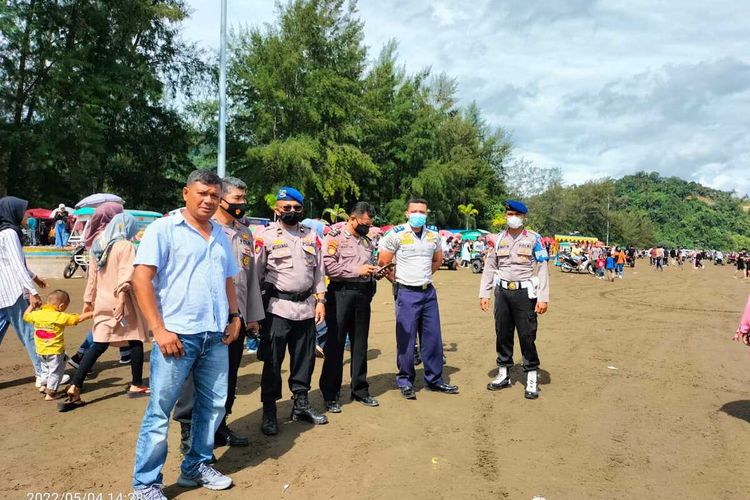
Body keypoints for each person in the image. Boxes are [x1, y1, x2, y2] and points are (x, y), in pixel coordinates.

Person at [131, 170, 241, 498]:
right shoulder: (164, 229)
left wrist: (235, 316)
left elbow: (228, 280)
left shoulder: (220, 234)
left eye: (214, 195)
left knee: (213, 405)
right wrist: (158, 329)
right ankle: (146, 484)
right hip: (176, 336)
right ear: (186, 193)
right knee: (160, 410)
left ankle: (196, 465)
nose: (208, 200)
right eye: (202, 193)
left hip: (214, 335)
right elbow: (141, 279)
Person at [174, 176, 264, 453]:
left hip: (234, 318)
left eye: (243, 199)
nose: (242, 204)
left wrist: (251, 316)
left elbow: (248, 279)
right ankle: (189, 432)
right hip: (203, 318)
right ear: (220, 198)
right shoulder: (206, 230)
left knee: (229, 375)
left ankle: (220, 424)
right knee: (194, 378)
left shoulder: (245, 233)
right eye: (237, 199)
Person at [255, 186, 328, 436]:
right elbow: (256, 275)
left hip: (307, 309)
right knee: (273, 362)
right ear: (277, 208)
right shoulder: (265, 237)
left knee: (305, 360)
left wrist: (321, 299)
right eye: (286, 207)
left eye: (296, 208)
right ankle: (269, 410)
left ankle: (301, 404)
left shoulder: (311, 236)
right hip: (277, 309)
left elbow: (319, 271)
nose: (291, 211)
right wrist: (254, 313)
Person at [63, 213, 150, 410]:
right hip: (121, 299)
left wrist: (88, 300)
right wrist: (121, 301)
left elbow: (91, 277)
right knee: (135, 338)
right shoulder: (125, 246)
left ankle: (75, 384)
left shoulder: (97, 246)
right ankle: (136, 383)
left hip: (102, 300)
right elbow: (125, 275)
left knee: (99, 344)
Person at [378, 198, 458, 400]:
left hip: (428, 293)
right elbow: (383, 262)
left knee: (432, 338)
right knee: (406, 338)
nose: (418, 214)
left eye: (422, 211)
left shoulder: (433, 236)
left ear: (427, 213)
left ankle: (435, 379)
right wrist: (399, 282)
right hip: (406, 292)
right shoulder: (396, 234)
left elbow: (437, 260)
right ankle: (405, 380)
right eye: (414, 211)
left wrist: (423, 277)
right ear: (407, 213)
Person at [479, 200, 549, 399]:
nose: (513, 217)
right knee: (502, 332)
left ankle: (532, 376)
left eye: (517, 215)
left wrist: (543, 297)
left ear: (523, 217)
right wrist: (484, 293)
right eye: (509, 213)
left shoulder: (535, 239)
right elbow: (490, 267)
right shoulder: (499, 238)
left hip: (524, 293)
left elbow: (543, 268)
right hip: (502, 292)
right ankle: (503, 373)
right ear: (505, 216)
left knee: (527, 335)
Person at [319, 202, 381, 413]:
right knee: (335, 346)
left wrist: (373, 271)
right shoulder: (335, 237)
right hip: (340, 293)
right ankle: (330, 394)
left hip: (363, 295)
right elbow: (329, 267)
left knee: (360, 344)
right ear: (352, 218)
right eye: (364, 223)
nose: (367, 227)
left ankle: (360, 390)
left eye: (369, 224)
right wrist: (358, 270)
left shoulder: (367, 240)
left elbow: (367, 263)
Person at [67, 202, 131, 370]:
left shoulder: (97, 234)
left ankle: (126, 353)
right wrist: (88, 298)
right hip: (110, 290)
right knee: (103, 328)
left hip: (103, 289)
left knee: (117, 322)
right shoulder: (108, 236)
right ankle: (80, 356)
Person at [0, 196, 51, 387]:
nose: (27, 214)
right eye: (24, 210)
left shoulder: (2, 233)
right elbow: (15, 265)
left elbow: (10, 263)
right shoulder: (10, 234)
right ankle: (43, 373)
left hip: (2, 292)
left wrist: (34, 277)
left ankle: (44, 370)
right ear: (13, 211)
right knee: (29, 332)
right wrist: (33, 291)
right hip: (13, 292)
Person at [24, 290, 92, 400]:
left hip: (40, 350)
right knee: (56, 372)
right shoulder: (59, 316)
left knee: (45, 369)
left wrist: (32, 306)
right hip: (55, 351)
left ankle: (44, 386)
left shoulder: (37, 314)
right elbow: (78, 318)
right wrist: (92, 313)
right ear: (61, 306)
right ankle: (50, 393)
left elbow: (26, 316)